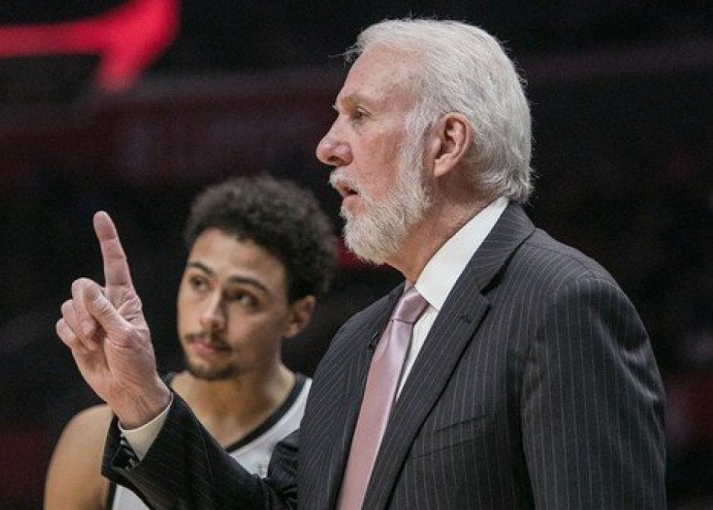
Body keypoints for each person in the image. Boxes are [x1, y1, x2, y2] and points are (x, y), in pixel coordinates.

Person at [56, 18, 667, 509]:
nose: (327, 146)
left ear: (446, 143)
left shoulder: (561, 304)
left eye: (360, 115)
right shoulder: (359, 342)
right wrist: (142, 400)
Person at [45, 175, 335, 509]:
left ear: (297, 316)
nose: (211, 316)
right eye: (199, 283)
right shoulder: (91, 439)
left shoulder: (332, 429)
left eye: (243, 297)